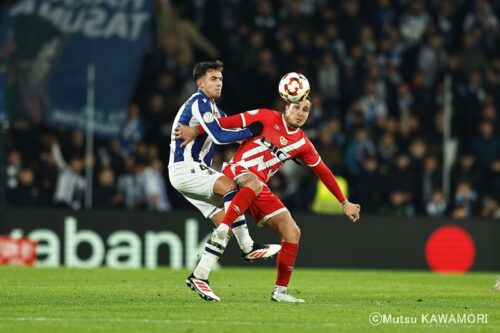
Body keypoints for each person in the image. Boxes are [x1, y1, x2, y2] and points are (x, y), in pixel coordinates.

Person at [175, 97, 361, 303]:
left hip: (259, 187)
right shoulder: (266, 116)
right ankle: (228, 235)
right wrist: (195, 131)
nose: (301, 112)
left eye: (306, 110)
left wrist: (344, 202)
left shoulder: (302, 144)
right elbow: (226, 123)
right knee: (252, 185)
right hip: (237, 172)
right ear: (286, 107)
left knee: (292, 231)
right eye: (297, 107)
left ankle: (280, 291)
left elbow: (323, 171)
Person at [167, 60, 281, 302]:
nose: (218, 83)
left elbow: (233, 130)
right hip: (185, 168)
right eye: (212, 79)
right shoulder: (198, 102)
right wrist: (252, 131)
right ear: (200, 83)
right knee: (231, 187)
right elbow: (220, 136)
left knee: (225, 224)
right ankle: (249, 247)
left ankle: (200, 276)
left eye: (220, 79)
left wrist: (262, 135)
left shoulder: (216, 111)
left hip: (192, 173)